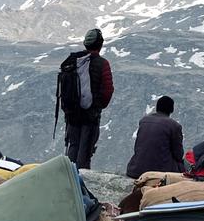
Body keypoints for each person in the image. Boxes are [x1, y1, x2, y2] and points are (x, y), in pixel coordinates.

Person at [59, 28, 114, 170]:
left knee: (74, 145)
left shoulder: (73, 60)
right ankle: (81, 182)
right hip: (91, 115)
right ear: (100, 44)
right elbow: (108, 90)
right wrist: (98, 105)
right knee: (85, 151)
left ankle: (67, 177)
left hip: (72, 114)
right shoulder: (102, 63)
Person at [125, 95, 184, 178]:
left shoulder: (144, 121)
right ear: (172, 109)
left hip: (135, 170)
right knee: (186, 166)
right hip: (160, 172)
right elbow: (178, 154)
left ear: (157, 107)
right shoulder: (174, 126)